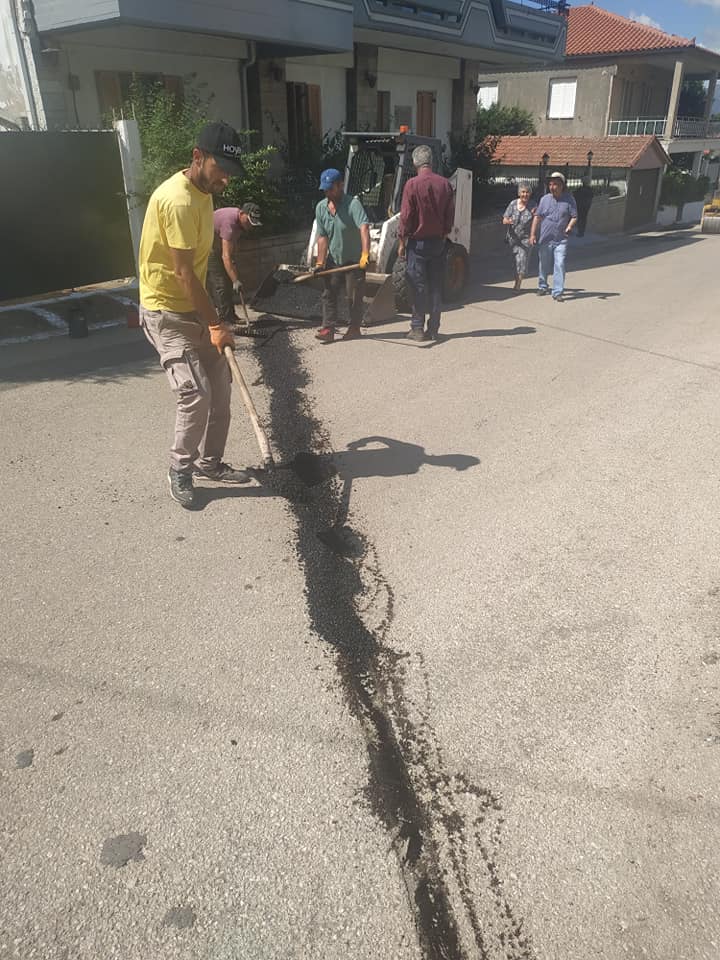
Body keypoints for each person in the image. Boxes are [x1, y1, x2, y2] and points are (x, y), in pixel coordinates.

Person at [138, 121, 251, 510]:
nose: (225, 180)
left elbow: (199, 271)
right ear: (198, 157)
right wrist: (217, 323)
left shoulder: (203, 194)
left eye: (230, 172)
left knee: (221, 389)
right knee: (195, 394)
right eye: (221, 169)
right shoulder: (178, 201)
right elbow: (184, 273)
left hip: (196, 308)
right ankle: (180, 469)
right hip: (166, 311)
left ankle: (210, 463)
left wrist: (212, 317)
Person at [398, 145, 455, 342]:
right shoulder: (445, 184)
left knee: (418, 286)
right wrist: (444, 233)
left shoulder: (412, 184)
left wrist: (401, 241)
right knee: (436, 286)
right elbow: (449, 215)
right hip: (438, 243)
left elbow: (406, 216)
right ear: (431, 161)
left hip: (418, 244)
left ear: (415, 163)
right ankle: (434, 328)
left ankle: (417, 328)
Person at [313, 168, 370, 345]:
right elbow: (322, 237)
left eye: (331, 189)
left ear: (340, 185)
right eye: (325, 190)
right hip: (335, 258)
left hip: (354, 259)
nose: (328, 193)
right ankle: (328, 329)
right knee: (329, 292)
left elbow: (364, 228)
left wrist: (365, 254)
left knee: (353, 296)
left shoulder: (353, 204)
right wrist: (320, 262)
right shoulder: (321, 208)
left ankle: (354, 328)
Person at [206, 203, 262, 325]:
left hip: (218, 246)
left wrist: (233, 269)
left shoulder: (240, 224)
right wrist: (236, 280)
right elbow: (225, 256)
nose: (250, 225)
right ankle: (225, 320)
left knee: (228, 281)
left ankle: (231, 316)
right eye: (248, 221)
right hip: (208, 248)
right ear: (242, 213)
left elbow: (232, 245)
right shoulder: (230, 223)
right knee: (221, 283)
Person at [530, 171, 577, 302]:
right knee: (543, 264)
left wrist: (569, 226)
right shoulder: (544, 199)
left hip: (561, 239)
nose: (552, 187)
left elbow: (574, 216)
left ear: (562, 186)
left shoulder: (569, 200)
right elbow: (537, 217)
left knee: (559, 264)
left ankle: (557, 292)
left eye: (555, 184)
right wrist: (532, 234)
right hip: (545, 238)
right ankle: (543, 286)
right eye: (550, 184)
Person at [502, 182, 536, 291]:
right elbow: (504, 219)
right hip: (512, 239)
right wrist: (508, 221)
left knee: (521, 261)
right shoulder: (513, 204)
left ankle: (517, 284)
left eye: (527, 192)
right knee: (514, 262)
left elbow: (537, 220)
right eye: (523, 192)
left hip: (525, 239)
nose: (525, 194)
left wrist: (533, 235)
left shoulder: (533, 206)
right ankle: (516, 279)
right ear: (519, 193)